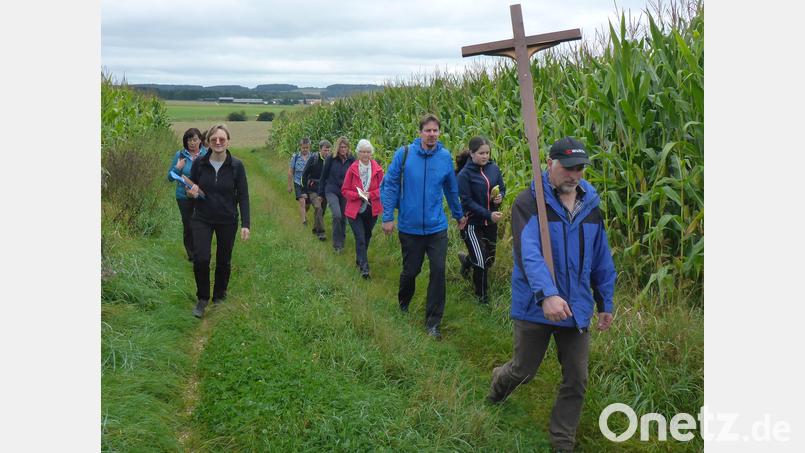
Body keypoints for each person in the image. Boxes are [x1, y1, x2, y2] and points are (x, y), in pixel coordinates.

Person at [486, 136, 616, 453]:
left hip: (576, 307)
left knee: (577, 378)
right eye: (568, 168)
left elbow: (601, 257)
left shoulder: (591, 206)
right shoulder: (529, 203)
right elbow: (528, 254)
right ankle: (498, 385)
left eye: (580, 169)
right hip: (535, 305)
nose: (574, 175)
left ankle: (562, 440)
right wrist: (547, 295)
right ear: (549, 164)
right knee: (524, 370)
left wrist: (605, 302)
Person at [381, 114, 465, 339]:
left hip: (437, 227)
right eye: (427, 130)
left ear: (439, 133)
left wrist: (459, 215)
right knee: (411, 271)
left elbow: (451, 189)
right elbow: (389, 184)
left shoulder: (445, 157)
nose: (432, 134)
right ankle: (403, 303)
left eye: (435, 131)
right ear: (420, 132)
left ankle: (433, 323)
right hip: (409, 227)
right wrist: (387, 216)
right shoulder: (405, 154)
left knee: (438, 271)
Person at [186, 124, 250, 318]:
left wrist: (246, 224)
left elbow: (244, 196)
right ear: (208, 142)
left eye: (222, 139)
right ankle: (203, 298)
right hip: (202, 218)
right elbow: (191, 187)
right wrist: (191, 193)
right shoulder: (199, 164)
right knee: (201, 258)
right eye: (214, 139)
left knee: (224, 260)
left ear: (228, 141)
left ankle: (220, 296)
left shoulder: (237, 166)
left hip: (227, 220)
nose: (218, 142)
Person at [455, 136, 506, 304]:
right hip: (472, 223)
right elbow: (467, 202)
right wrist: (488, 214)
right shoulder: (464, 175)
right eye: (481, 153)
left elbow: (501, 188)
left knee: (489, 260)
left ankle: (467, 262)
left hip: (490, 222)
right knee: (481, 262)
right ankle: (482, 298)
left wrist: (500, 198)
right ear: (471, 153)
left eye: (487, 153)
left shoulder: (494, 169)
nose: (485, 156)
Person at [341, 139, 384, 279]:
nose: (366, 154)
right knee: (360, 237)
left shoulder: (377, 169)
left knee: (367, 236)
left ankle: (359, 259)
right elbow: (345, 190)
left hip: (371, 209)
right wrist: (358, 195)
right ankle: (364, 268)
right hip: (355, 209)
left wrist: (370, 194)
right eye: (363, 152)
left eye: (368, 152)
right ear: (358, 153)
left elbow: (383, 189)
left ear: (371, 153)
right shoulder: (352, 169)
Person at [167, 128, 207, 262]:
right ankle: (192, 255)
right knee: (189, 224)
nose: (192, 143)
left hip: (201, 195)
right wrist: (177, 168)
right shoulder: (180, 155)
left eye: (195, 139)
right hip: (183, 196)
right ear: (185, 142)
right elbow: (170, 178)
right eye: (189, 140)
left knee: (202, 224)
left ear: (200, 140)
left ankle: (202, 251)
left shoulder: (207, 154)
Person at [318, 136, 355, 253]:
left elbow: (356, 177)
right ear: (337, 148)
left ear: (348, 148)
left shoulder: (351, 160)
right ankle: (336, 244)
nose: (343, 149)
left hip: (345, 192)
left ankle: (341, 242)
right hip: (331, 190)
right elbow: (323, 177)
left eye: (345, 147)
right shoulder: (331, 159)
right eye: (341, 147)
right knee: (337, 215)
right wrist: (320, 194)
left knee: (344, 218)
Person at [302, 139, 331, 241]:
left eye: (328, 150)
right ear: (320, 149)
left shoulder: (330, 161)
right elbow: (304, 174)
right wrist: (304, 191)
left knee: (321, 211)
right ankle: (321, 232)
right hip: (313, 190)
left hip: (324, 190)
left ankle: (315, 228)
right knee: (318, 208)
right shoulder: (313, 159)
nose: (327, 152)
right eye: (325, 150)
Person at [287, 137, 313, 227]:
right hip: (298, 182)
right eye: (303, 148)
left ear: (309, 147)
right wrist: (289, 185)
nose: (305, 149)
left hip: (309, 183)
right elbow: (290, 171)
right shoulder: (295, 157)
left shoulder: (313, 157)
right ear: (300, 147)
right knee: (302, 201)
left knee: (308, 204)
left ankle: (304, 213)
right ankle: (303, 221)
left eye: (307, 148)